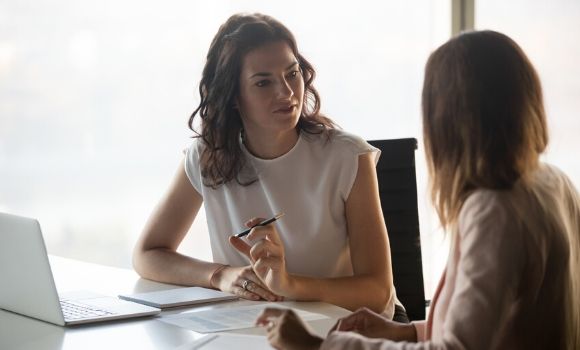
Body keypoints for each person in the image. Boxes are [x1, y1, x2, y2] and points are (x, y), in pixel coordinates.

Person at [256, 30, 580, 349]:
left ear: (445, 118)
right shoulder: (553, 182)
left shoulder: (494, 209)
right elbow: (491, 329)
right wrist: (408, 333)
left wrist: (314, 346)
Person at [132, 13, 404, 318]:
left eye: (293, 74)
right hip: (254, 330)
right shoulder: (208, 156)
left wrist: (290, 285)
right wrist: (220, 275)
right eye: (263, 82)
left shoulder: (347, 156)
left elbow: (378, 292)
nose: (287, 93)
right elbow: (147, 254)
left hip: (348, 330)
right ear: (233, 95)